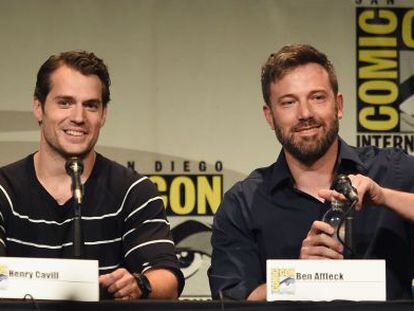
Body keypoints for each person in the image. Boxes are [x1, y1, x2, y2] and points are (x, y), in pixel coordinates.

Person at [208, 44, 414, 301]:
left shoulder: (392, 172)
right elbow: (234, 301)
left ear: (338, 105)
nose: (305, 113)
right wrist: (298, 277)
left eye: (317, 97)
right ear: (270, 117)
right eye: (288, 102)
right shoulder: (242, 204)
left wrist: (386, 197)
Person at [0, 50, 184, 300]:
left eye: (91, 105)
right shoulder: (4, 190)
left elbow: (167, 279)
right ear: (38, 108)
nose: (78, 117)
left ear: (104, 114)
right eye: (65, 102)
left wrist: (139, 284)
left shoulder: (133, 190)